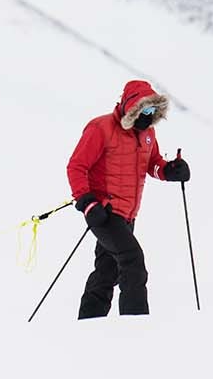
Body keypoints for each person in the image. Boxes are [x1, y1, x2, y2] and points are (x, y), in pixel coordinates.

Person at [67, 79, 190, 318]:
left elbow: (152, 164)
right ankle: (135, 326)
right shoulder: (100, 128)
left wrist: (170, 170)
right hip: (104, 212)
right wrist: (88, 203)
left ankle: (87, 324)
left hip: (128, 215)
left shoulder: (147, 133)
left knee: (107, 271)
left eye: (154, 110)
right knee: (133, 262)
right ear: (131, 107)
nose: (149, 115)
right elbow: (76, 167)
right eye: (144, 109)